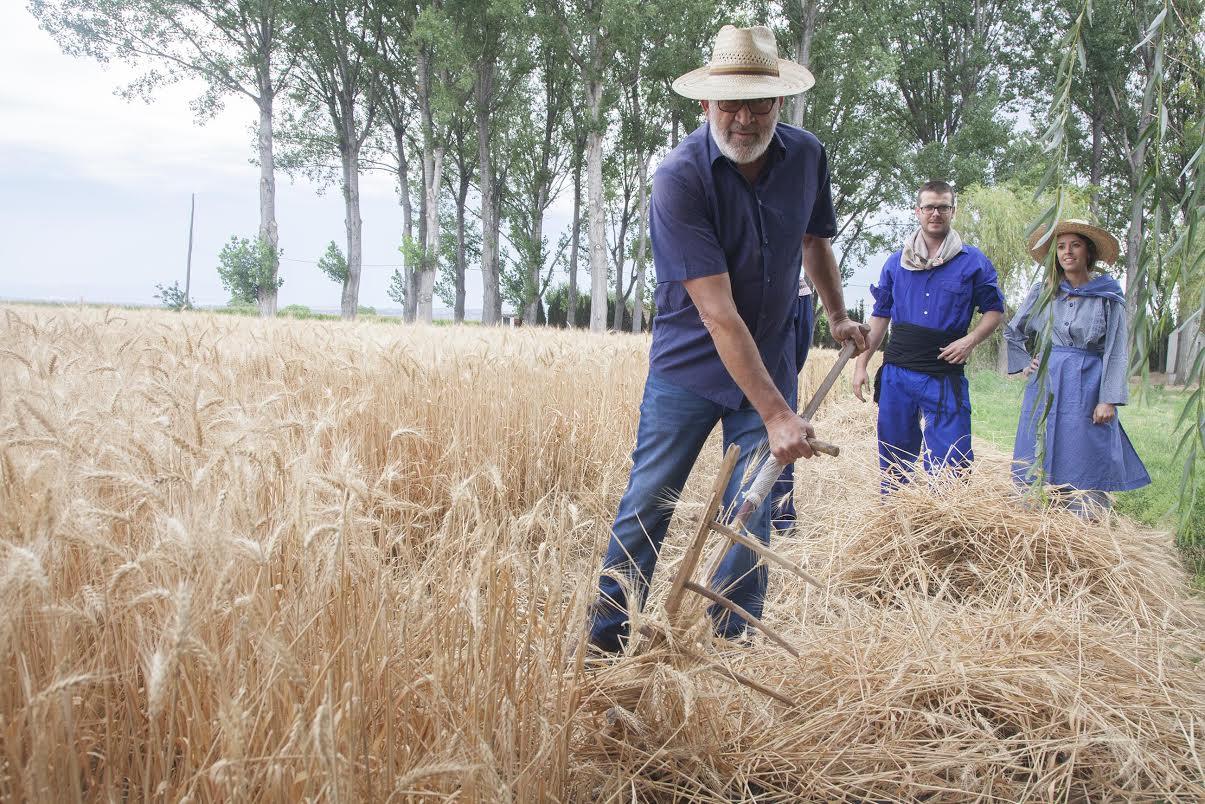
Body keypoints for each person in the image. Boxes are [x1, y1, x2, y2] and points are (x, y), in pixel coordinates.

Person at [587, 25, 866, 654]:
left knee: (755, 505)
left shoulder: (808, 157)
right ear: (705, 103)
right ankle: (606, 646)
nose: (743, 119)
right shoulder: (679, 179)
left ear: (779, 102)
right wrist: (777, 415)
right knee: (649, 501)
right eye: (729, 105)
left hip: (767, 361)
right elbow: (716, 315)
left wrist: (839, 315)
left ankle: (728, 641)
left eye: (757, 105)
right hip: (688, 370)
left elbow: (816, 242)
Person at [852, 181, 1005, 486]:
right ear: (917, 211)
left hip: (943, 373)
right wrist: (860, 364)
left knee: (953, 462)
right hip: (898, 374)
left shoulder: (973, 262)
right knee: (894, 458)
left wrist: (970, 340)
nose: (936, 213)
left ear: (953, 211)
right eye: (929, 207)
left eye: (943, 207)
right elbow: (880, 317)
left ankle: (947, 523)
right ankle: (897, 520)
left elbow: (995, 311)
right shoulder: (896, 263)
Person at [1005, 219, 1150, 515]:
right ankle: (1035, 515)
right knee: (1040, 442)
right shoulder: (1044, 291)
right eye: (1060, 247)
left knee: (1086, 447)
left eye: (1075, 245)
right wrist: (1025, 361)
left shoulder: (1108, 297)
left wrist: (1108, 398)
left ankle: (1085, 520)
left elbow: (1116, 349)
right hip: (1047, 380)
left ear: (1089, 252)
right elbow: (1013, 331)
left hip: (1089, 381)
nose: (1067, 252)